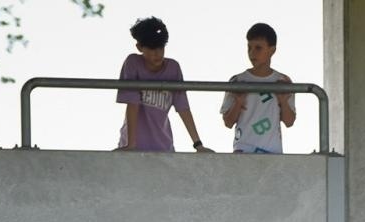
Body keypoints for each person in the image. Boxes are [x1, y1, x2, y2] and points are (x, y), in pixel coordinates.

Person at [116, 16, 213, 153]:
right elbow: (132, 104)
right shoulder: (133, 62)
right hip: (134, 145)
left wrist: (198, 144)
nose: (157, 53)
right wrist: (131, 145)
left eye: (161, 47)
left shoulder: (173, 68)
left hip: (163, 146)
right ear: (139, 47)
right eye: (151, 48)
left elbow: (183, 108)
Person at [220, 22, 296, 154]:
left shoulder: (283, 81)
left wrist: (283, 101)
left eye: (258, 48)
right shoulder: (237, 80)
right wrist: (238, 101)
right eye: (249, 47)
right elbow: (228, 122)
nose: (252, 53)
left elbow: (289, 122)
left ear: (272, 50)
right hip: (243, 150)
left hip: (273, 152)